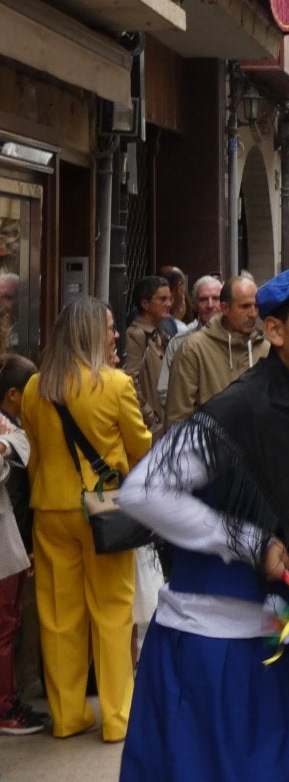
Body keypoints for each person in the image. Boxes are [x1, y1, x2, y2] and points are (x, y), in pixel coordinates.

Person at [115, 265, 289, 782]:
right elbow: (143, 492)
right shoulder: (236, 412)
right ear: (275, 331)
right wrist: (250, 544)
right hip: (218, 652)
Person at [22, 296, 150, 742]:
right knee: (113, 612)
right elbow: (142, 448)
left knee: (59, 617)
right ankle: (117, 718)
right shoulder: (114, 384)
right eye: (110, 327)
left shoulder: (38, 387)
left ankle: (67, 715)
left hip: (49, 510)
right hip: (104, 509)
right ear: (90, 335)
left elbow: (36, 455)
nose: (115, 334)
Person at [0, 355, 43, 736]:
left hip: (11, 539)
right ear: (14, 394)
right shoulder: (9, 429)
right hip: (6, 541)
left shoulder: (12, 427)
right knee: (6, 623)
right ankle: (5, 705)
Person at [164, 273, 267, 425]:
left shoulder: (266, 349)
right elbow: (177, 418)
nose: (253, 314)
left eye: (256, 306)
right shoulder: (194, 349)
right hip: (209, 446)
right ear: (225, 308)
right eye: (245, 306)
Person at [158, 273, 224, 408]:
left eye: (216, 298)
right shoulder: (179, 343)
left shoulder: (237, 339)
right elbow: (164, 392)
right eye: (203, 299)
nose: (210, 305)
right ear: (194, 304)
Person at [123, 274, 173, 437]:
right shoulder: (136, 334)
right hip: (149, 430)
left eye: (170, 299)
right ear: (145, 303)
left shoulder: (160, 334)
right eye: (162, 299)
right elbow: (130, 380)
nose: (168, 304)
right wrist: (150, 417)